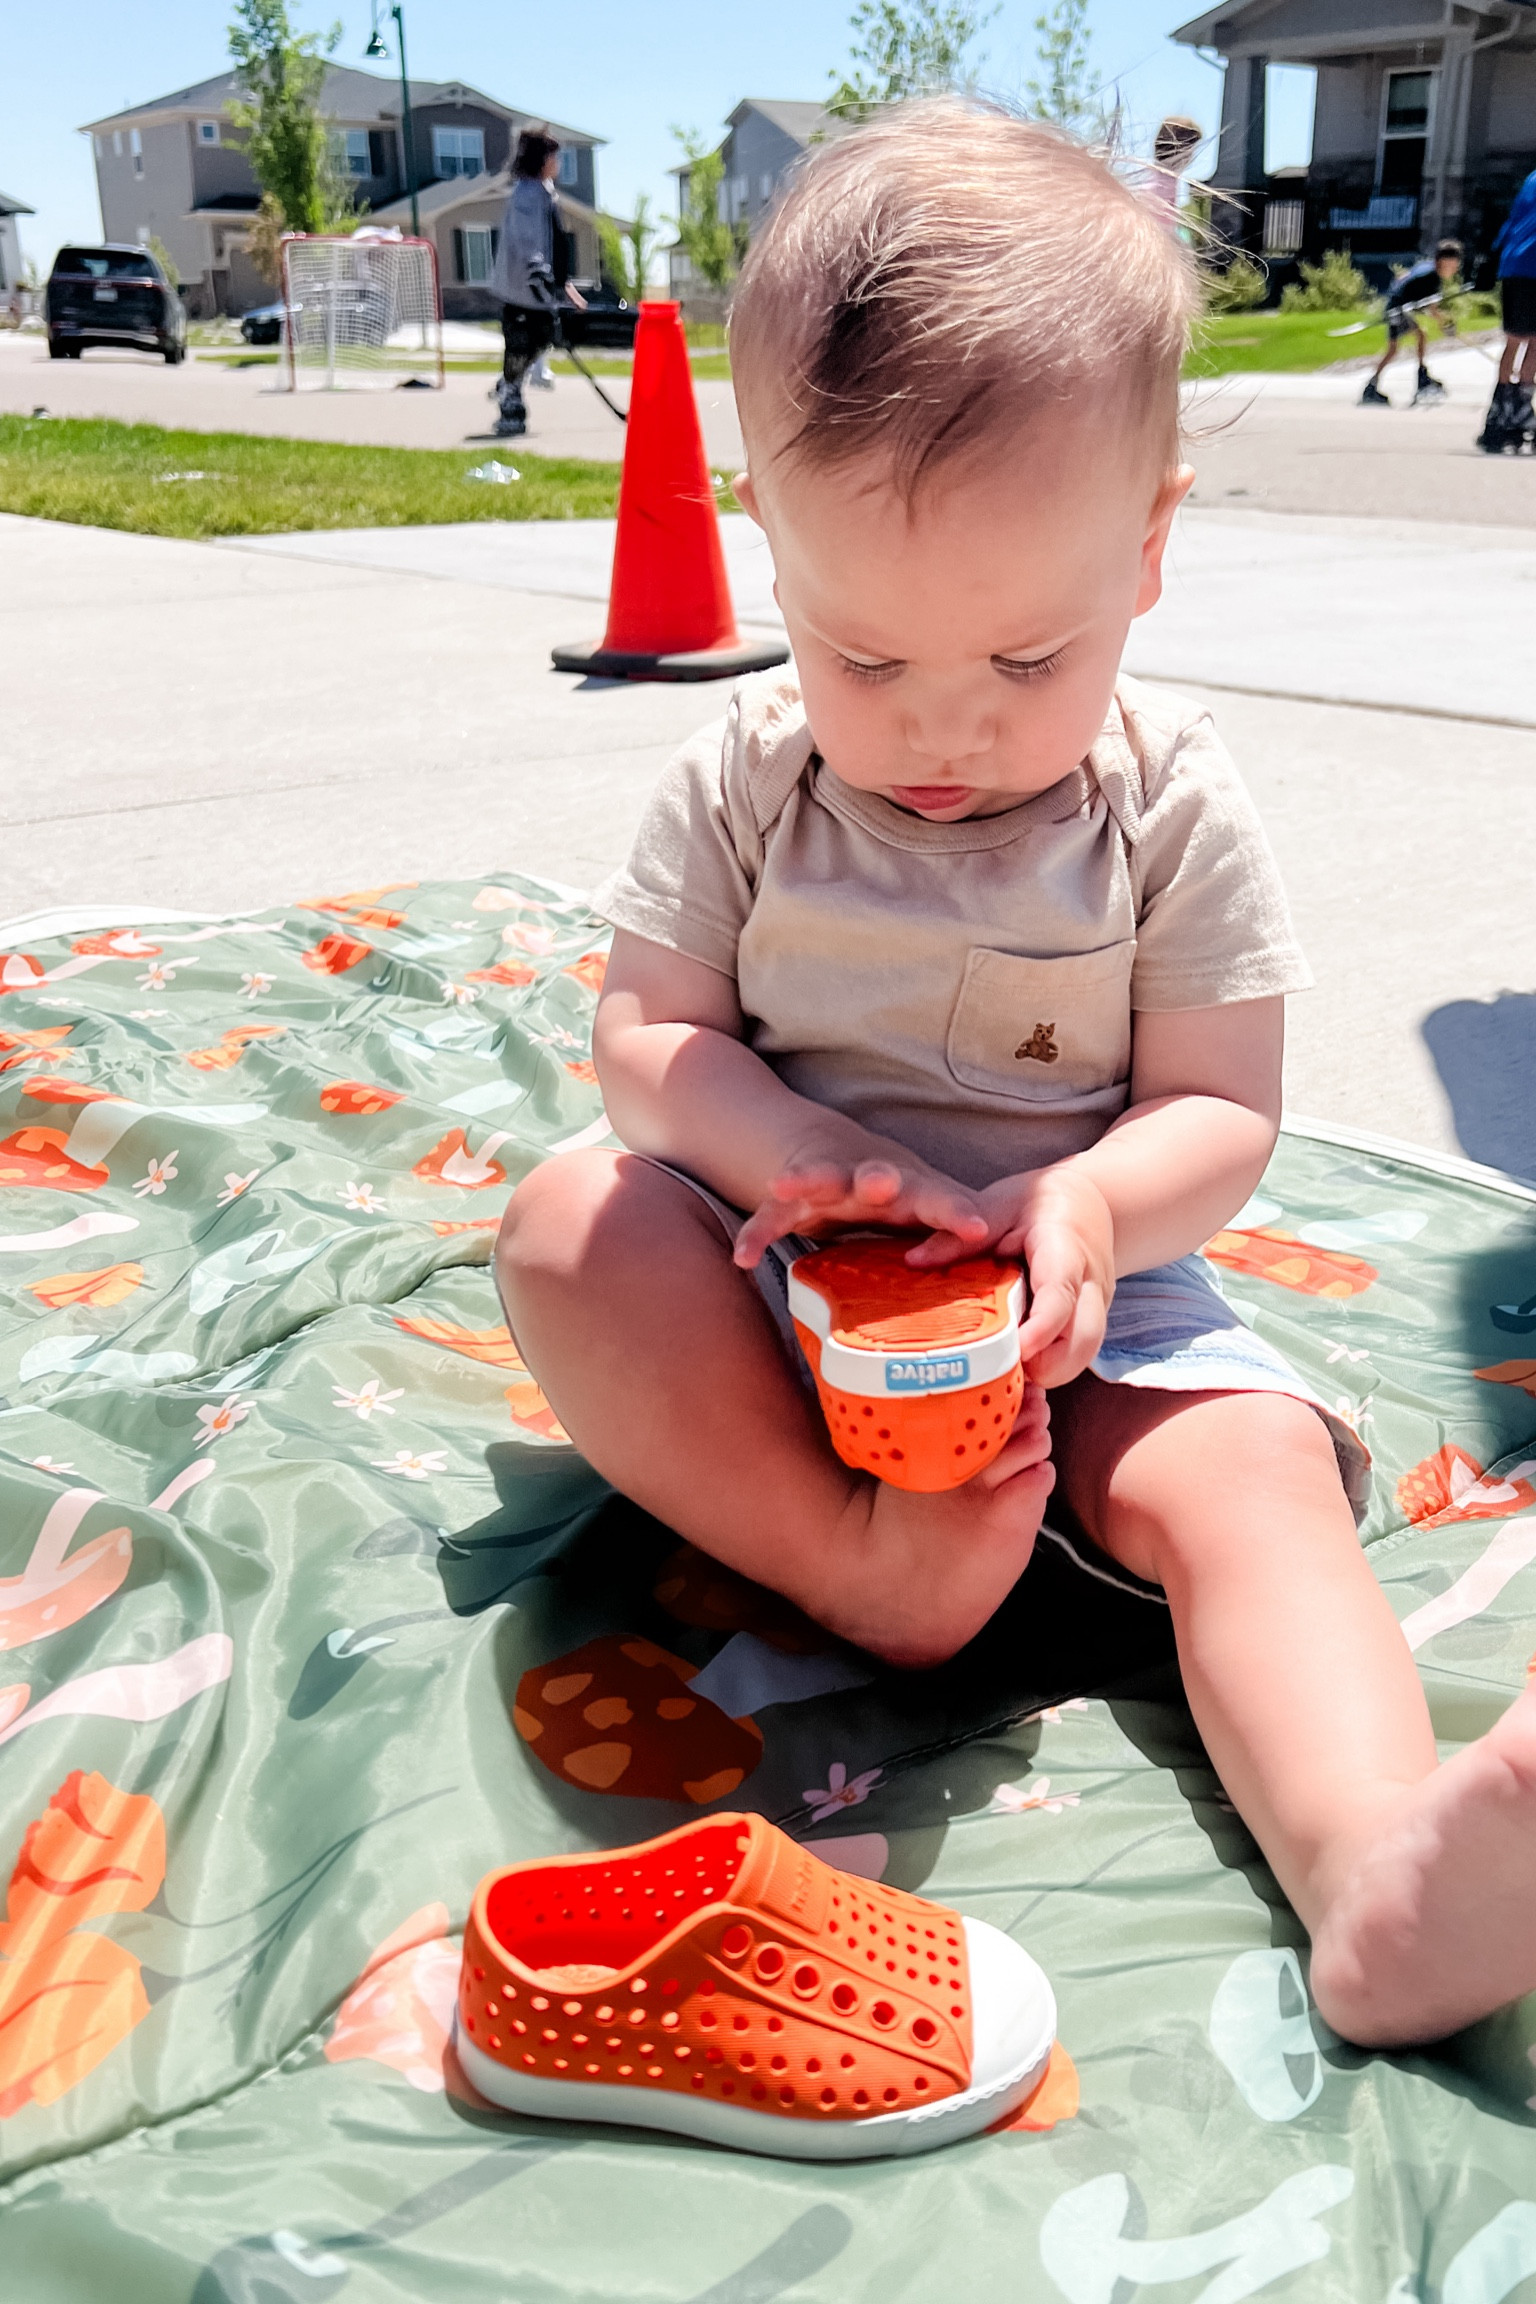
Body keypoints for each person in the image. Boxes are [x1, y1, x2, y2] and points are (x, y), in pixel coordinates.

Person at [497, 100, 1536, 2052]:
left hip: (1096, 1312)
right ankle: (870, 1575)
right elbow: (647, 1044)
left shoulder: (1167, 805)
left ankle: (1381, 1872)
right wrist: (780, 1140)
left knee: (1252, 1491)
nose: (943, 729)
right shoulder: (741, 783)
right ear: (768, 550)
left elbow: (1225, 1107)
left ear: (1147, 551)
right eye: (862, 654)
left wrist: (1093, 1206)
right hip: (776, 1299)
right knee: (564, 1228)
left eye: (1024, 658)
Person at [487, 128, 586, 439]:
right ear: (541, 159)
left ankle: (509, 383)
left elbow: (554, 242)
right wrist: (536, 270)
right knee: (520, 343)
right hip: (523, 288)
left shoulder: (543, 192)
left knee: (543, 337)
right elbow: (527, 238)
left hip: (539, 290)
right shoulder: (527, 195)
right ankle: (511, 404)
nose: (558, 162)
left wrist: (564, 284)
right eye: (554, 156)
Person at [1360, 238, 1461, 406]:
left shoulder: (1427, 268)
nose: (1455, 268)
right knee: (1397, 348)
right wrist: (1447, 325)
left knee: (1416, 337)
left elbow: (1404, 276)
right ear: (1443, 261)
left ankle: (1379, 384)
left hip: (1397, 307)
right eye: (1453, 264)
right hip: (1397, 310)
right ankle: (1418, 379)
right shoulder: (1432, 277)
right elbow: (1433, 309)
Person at [1478, 168, 1536, 452]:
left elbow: (1513, 218)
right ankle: (1521, 410)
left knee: (1514, 341)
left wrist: (1495, 253)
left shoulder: (1532, 178)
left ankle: (1501, 412)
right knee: (1534, 344)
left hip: (1515, 263)